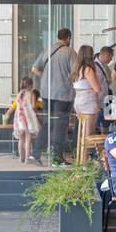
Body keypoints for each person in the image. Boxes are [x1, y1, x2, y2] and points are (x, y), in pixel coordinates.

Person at [31, 28, 78, 163]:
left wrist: (46, 78)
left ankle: (35, 154)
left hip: (46, 93)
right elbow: (75, 72)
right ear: (68, 38)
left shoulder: (48, 49)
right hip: (62, 94)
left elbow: (34, 69)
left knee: (48, 123)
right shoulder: (70, 52)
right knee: (60, 125)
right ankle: (57, 158)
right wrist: (67, 81)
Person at [71, 45, 104, 163]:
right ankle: (84, 161)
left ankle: (80, 158)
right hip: (88, 102)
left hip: (78, 101)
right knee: (88, 134)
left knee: (82, 132)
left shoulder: (76, 68)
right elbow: (97, 88)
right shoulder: (88, 69)